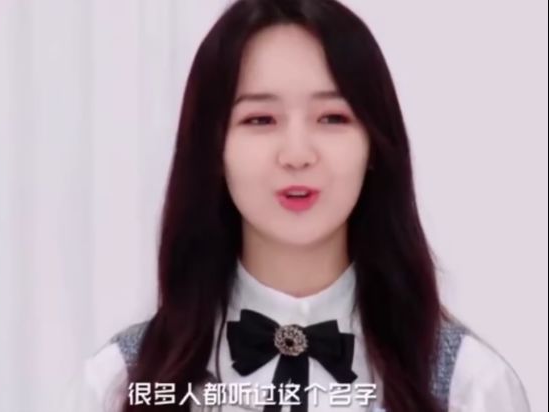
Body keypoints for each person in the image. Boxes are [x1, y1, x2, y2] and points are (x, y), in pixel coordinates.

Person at [62, 0, 530, 411]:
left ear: (374, 144)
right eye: (260, 119)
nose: (297, 153)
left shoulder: (469, 388)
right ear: (213, 149)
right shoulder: (120, 385)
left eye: (333, 117)